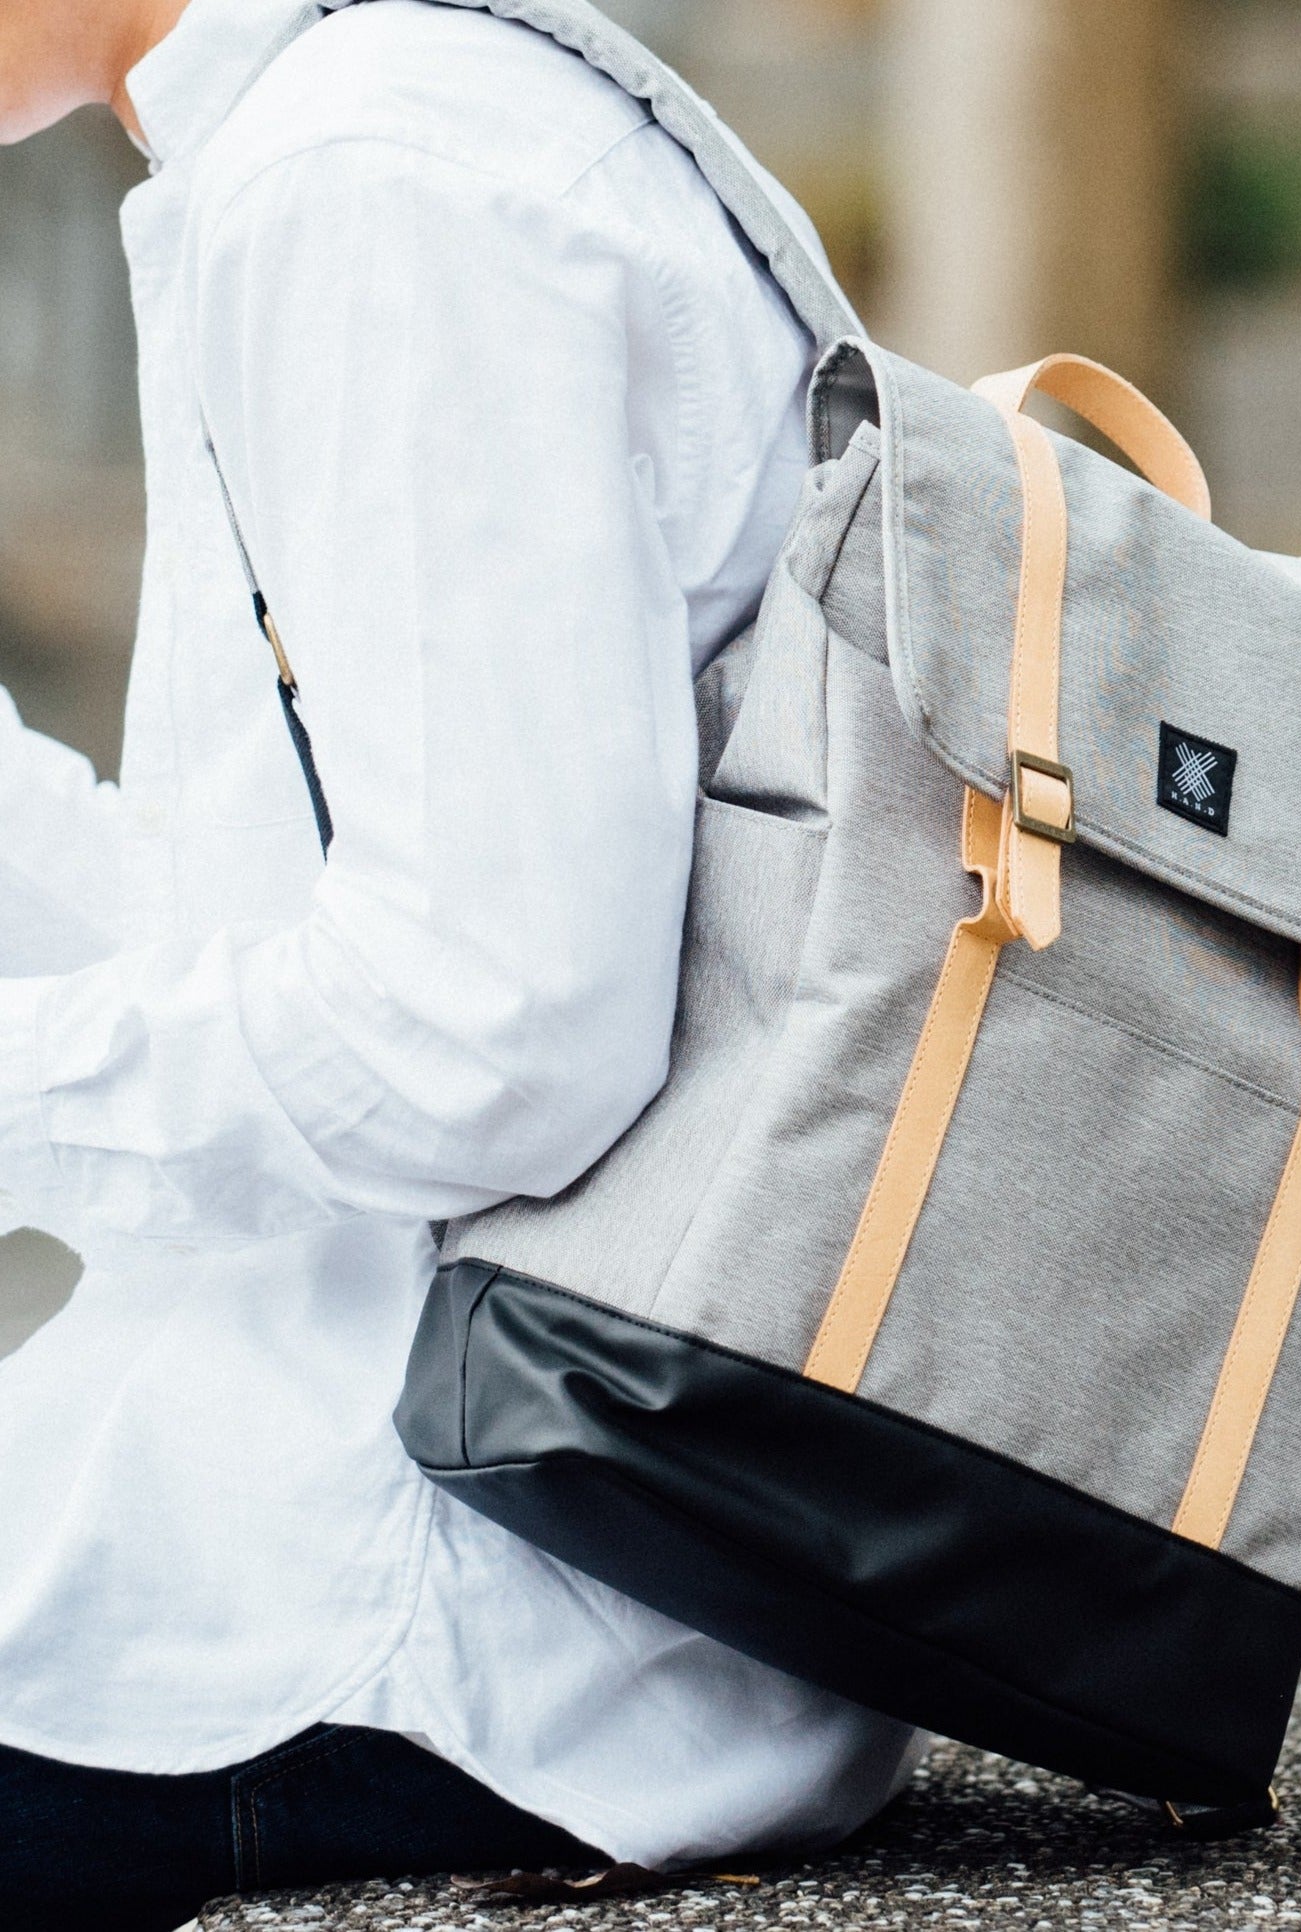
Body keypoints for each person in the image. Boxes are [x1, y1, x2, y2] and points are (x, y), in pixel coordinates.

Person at [0, 1, 924, 1926]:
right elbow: (285, 929)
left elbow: (483, 1032)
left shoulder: (380, 181)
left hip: (443, 1611)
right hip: (480, 1537)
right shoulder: (390, 119)